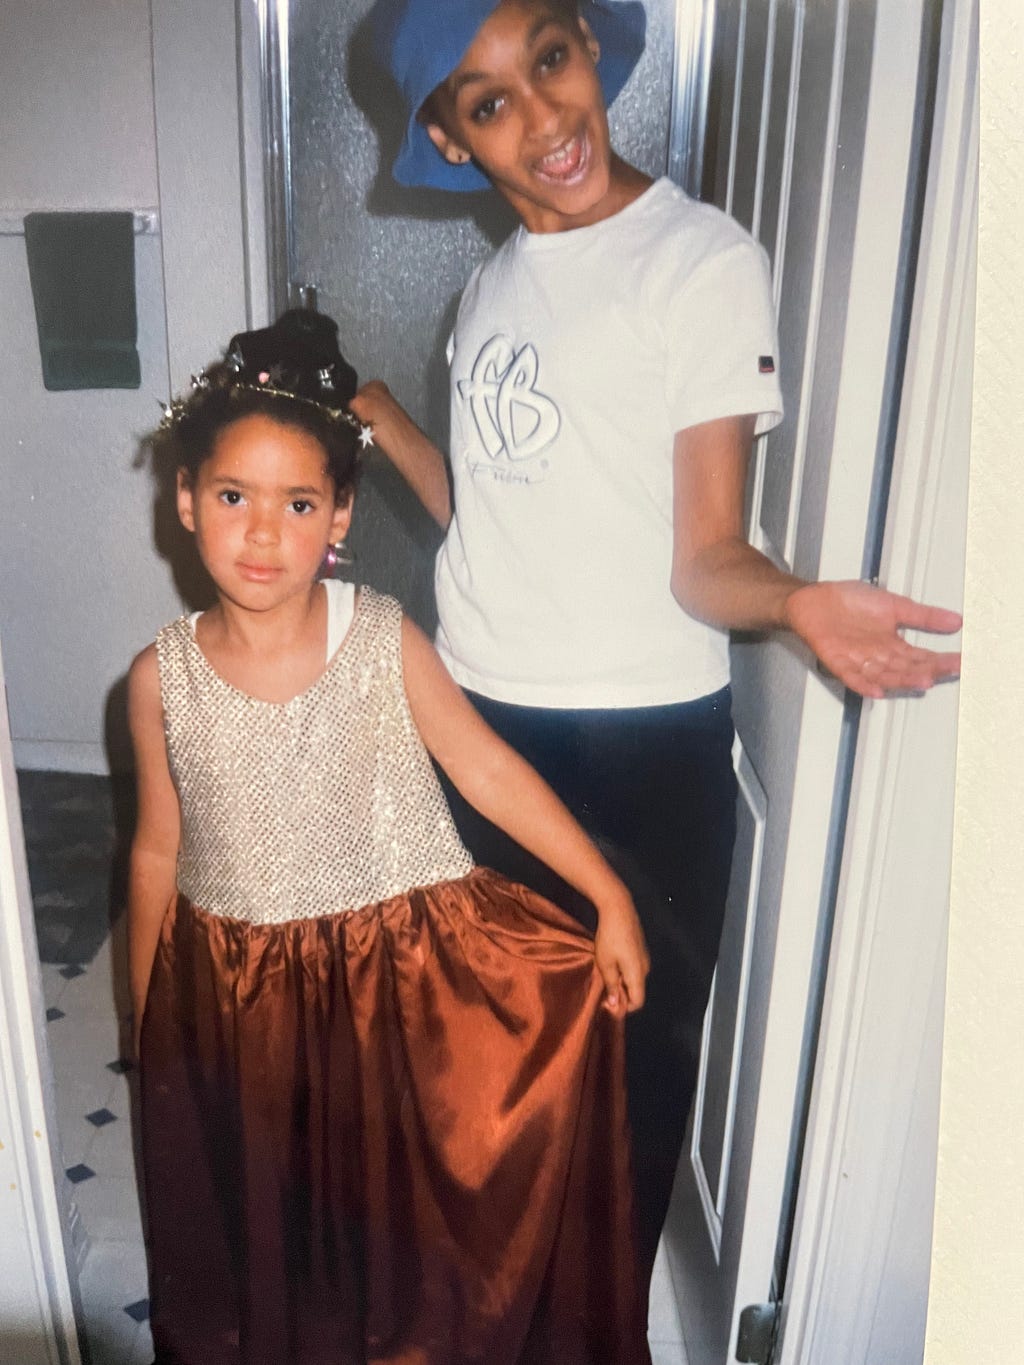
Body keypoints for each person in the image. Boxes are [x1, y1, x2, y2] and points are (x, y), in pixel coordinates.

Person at [356, 0, 964, 1290]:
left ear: (590, 49)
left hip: (635, 749)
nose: (543, 118)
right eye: (488, 102)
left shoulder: (700, 261)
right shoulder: (485, 291)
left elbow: (704, 556)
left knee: (627, 1093)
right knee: (480, 1082)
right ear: (453, 144)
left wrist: (797, 600)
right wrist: (372, 414)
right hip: (475, 728)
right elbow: (484, 511)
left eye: (551, 63)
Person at [127, 309, 653, 1365]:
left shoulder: (379, 637)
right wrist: (148, 1028)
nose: (264, 532)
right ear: (186, 500)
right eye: (234, 496)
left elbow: (486, 768)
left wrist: (610, 895)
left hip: (396, 986)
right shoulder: (157, 680)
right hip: (245, 1005)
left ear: (340, 516)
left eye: (299, 502)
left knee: (401, 1233)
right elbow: (154, 850)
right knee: (273, 1230)